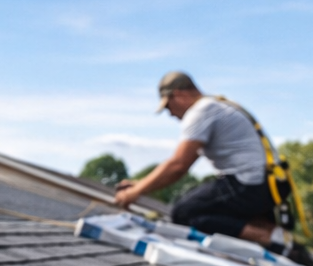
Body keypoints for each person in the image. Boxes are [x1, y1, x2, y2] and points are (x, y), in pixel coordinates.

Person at [114, 71, 281, 247]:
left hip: (246, 184)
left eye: (168, 106)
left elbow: (178, 165)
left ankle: (270, 238)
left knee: (185, 213)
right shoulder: (216, 105)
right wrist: (139, 184)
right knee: (209, 211)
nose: (170, 114)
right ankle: (275, 236)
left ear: (179, 94)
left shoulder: (201, 111)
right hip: (264, 185)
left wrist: (135, 192)